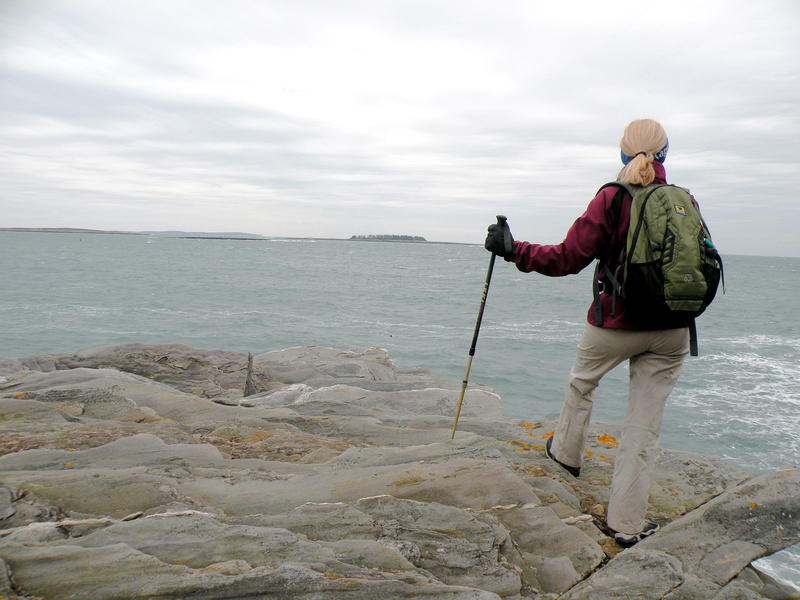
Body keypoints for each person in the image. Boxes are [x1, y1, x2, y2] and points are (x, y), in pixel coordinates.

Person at [484, 119, 690, 547]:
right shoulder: (683, 201)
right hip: (672, 330)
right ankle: (627, 525)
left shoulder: (612, 197)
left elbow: (567, 257)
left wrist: (513, 249)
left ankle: (566, 454)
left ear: (621, 154)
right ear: (666, 154)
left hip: (615, 323)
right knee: (642, 428)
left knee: (582, 384)